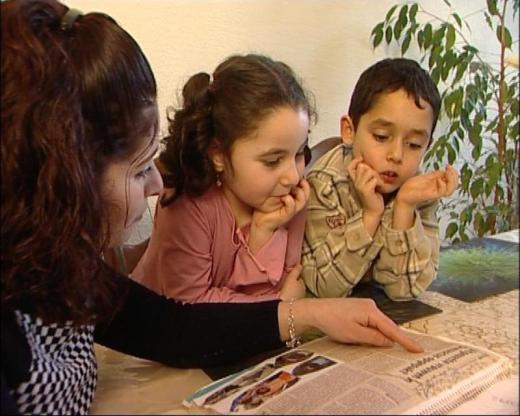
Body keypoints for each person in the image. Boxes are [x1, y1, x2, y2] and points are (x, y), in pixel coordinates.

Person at [1, 1, 423, 414]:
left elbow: (172, 329)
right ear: (61, 180)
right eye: (137, 170)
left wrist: (313, 313)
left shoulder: (60, 267)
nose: (156, 183)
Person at [131, 54, 312, 303]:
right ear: (218, 155)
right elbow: (190, 306)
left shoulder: (290, 197)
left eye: (301, 152)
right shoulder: (187, 205)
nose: (293, 176)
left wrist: (262, 233)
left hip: (258, 338)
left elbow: (290, 280)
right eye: (272, 161)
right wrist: (279, 306)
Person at [302, 58, 459, 301]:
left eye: (414, 144)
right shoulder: (324, 185)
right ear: (349, 131)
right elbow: (324, 288)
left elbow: (405, 291)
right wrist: (369, 216)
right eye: (381, 136)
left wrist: (404, 208)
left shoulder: (416, 191)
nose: (396, 155)